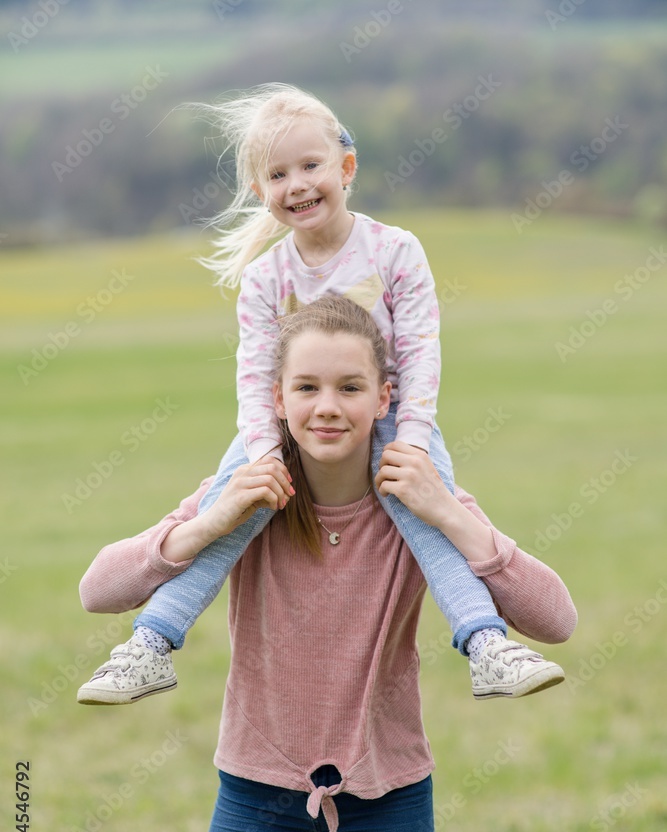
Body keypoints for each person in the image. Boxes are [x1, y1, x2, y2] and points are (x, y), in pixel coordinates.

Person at [79, 296, 577, 832]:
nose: (327, 407)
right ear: (276, 399)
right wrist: (207, 523)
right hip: (254, 791)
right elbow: (97, 590)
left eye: (350, 387)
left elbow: (556, 620)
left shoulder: (420, 499)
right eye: (307, 387)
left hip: (390, 793)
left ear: (385, 399)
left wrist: (450, 514)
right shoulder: (246, 493)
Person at [77, 82, 566, 707]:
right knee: (226, 516)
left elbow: (421, 353)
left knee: (433, 522)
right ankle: (149, 643)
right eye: (278, 174)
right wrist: (262, 456)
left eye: (311, 165)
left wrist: (414, 443)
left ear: (346, 166)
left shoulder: (394, 251)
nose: (297, 184)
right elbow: (255, 377)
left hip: (392, 421)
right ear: (260, 190)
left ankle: (486, 643)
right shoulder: (265, 277)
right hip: (279, 429)